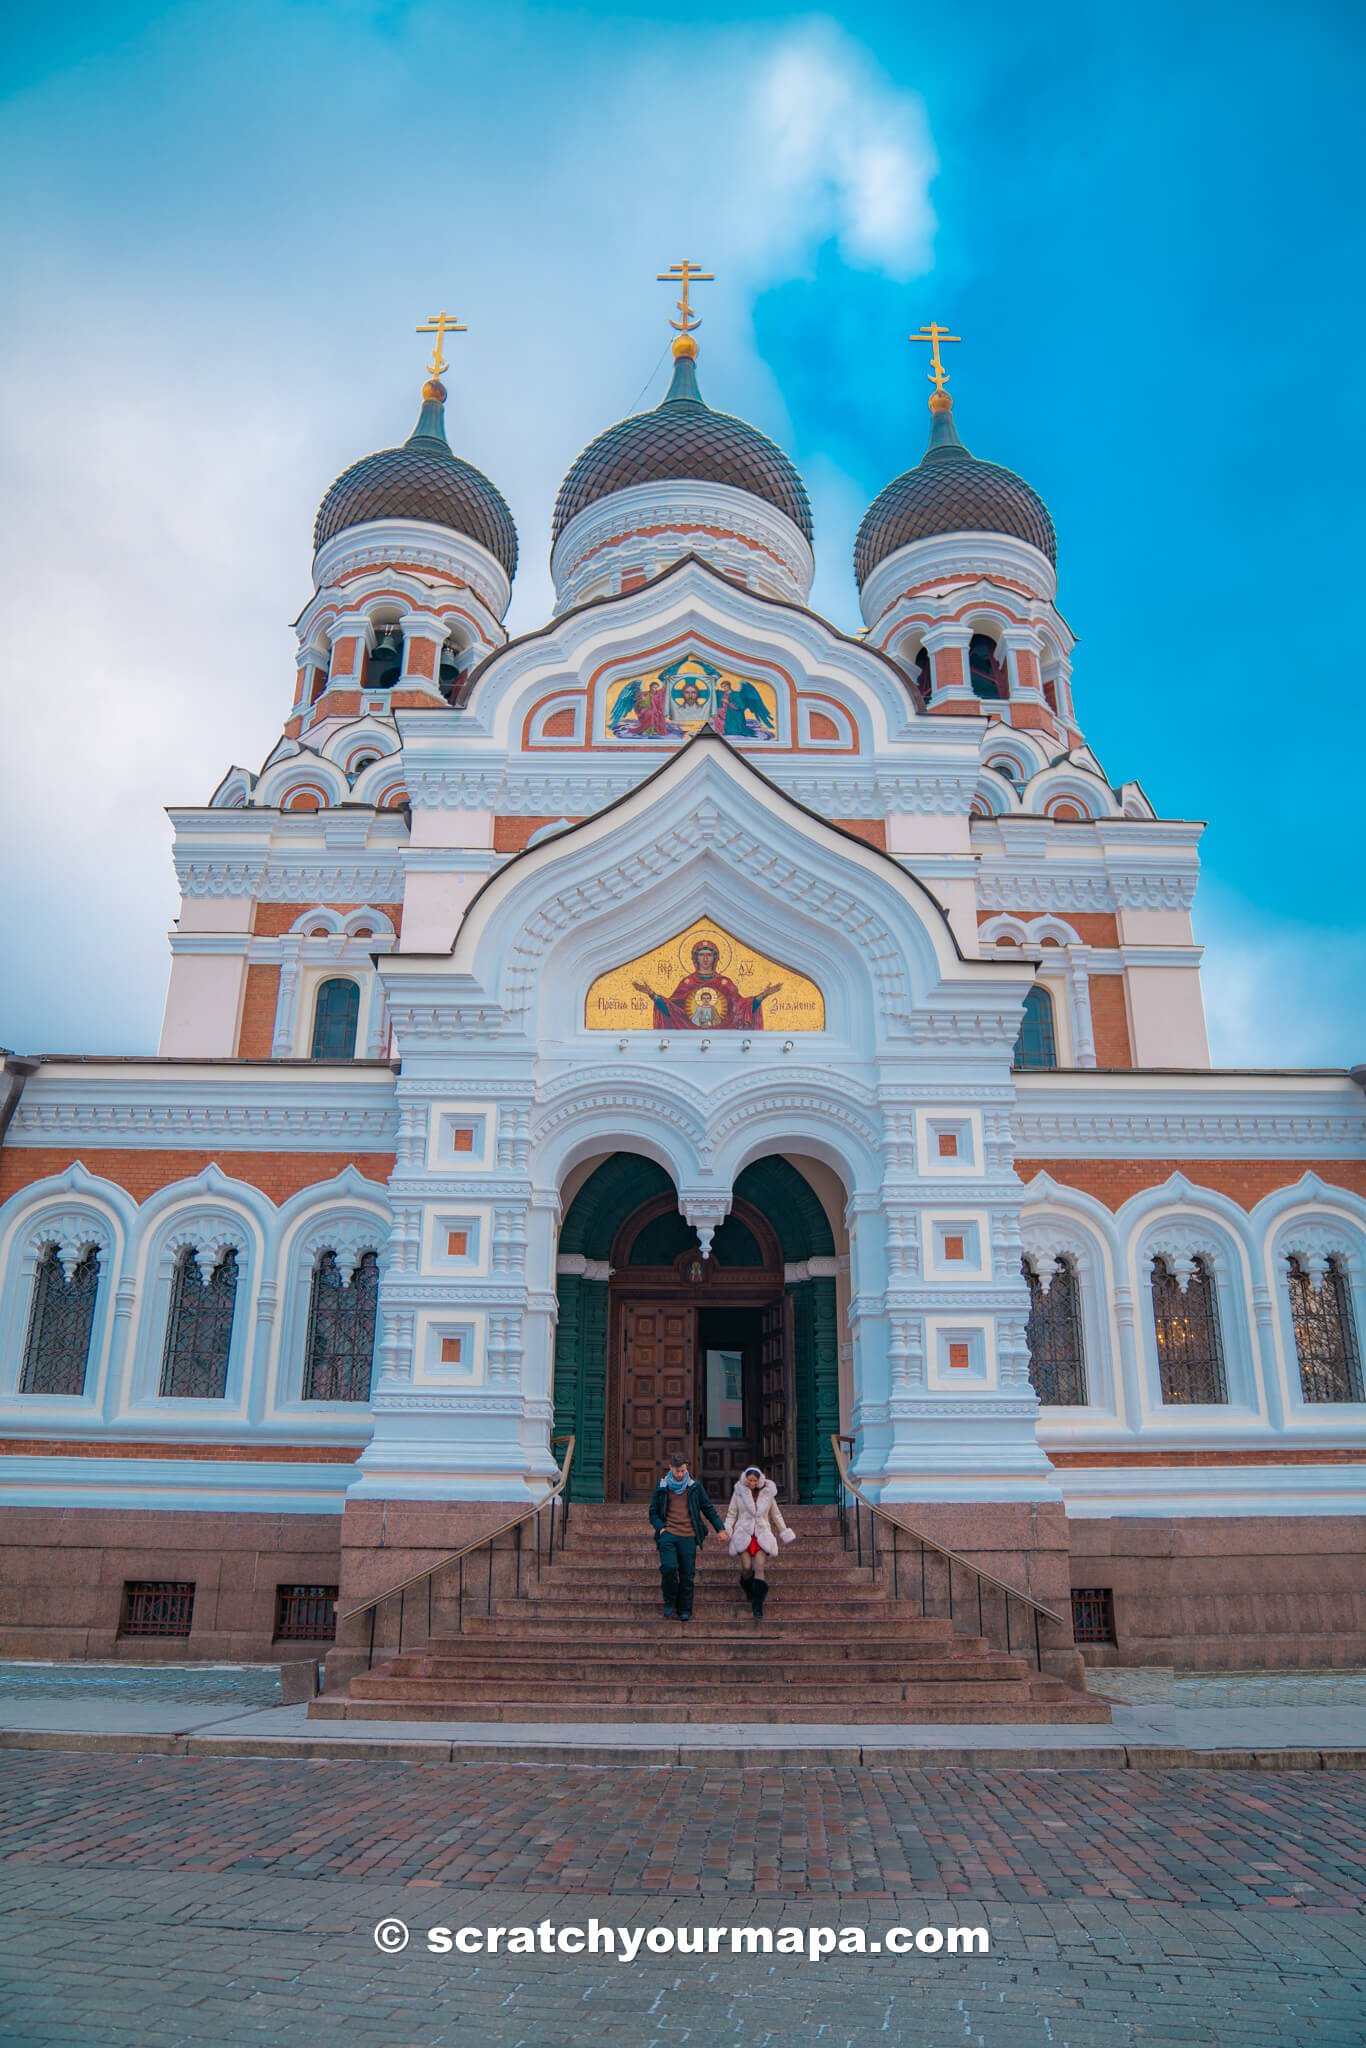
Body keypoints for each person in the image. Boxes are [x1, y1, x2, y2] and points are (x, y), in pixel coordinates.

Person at [649, 1454, 724, 1621]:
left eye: (683, 1471)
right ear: (670, 1467)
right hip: (668, 1534)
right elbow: (653, 1513)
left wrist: (720, 1528)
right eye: (678, 1471)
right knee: (668, 1568)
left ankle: (684, 1609)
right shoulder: (662, 1487)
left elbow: (708, 1508)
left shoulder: (694, 1487)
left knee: (687, 1574)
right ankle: (670, 1602)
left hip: (688, 1535)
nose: (681, 1474)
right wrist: (661, 1528)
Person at [723, 1465, 796, 1620]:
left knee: (760, 1567)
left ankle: (758, 1606)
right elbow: (732, 1513)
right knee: (747, 1567)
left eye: (755, 1481)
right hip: (744, 1533)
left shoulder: (768, 1494)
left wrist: (784, 1531)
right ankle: (749, 1588)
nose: (752, 1483)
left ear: (759, 1480)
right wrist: (727, 1530)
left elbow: (776, 1515)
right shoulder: (739, 1493)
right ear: (745, 1479)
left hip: (762, 1534)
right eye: (749, 1480)